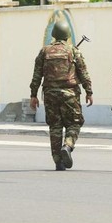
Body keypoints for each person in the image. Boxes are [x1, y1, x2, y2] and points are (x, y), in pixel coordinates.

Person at [29, 21, 93, 171]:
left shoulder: (44, 51)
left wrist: (33, 95)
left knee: (55, 127)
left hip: (50, 94)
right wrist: (89, 91)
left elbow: (37, 75)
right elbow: (83, 73)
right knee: (75, 123)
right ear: (67, 35)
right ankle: (68, 145)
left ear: (54, 35)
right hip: (69, 93)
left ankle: (58, 161)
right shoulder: (73, 51)